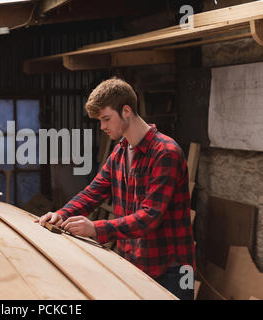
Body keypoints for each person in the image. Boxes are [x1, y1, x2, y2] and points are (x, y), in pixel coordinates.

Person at [39, 77, 196, 300]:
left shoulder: (165, 152)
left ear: (126, 111)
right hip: (134, 264)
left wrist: (94, 229)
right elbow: (92, 193)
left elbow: (149, 217)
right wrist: (61, 214)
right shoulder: (120, 152)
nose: (102, 127)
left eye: (106, 119)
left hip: (172, 270)